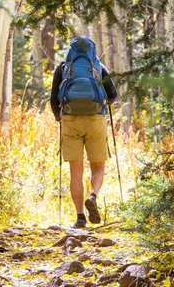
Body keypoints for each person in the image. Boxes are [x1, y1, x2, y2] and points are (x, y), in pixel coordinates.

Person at [50, 37, 118, 228]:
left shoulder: (62, 69)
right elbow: (113, 95)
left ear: (71, 51)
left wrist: (59, 117)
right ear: (92, 51)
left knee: (75, 172)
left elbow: (53, 99)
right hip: (95, 119)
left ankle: (80, 217)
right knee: (98, 167)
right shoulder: (99, 67)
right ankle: (93, 195)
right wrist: (106, 103)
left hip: (70, 121)